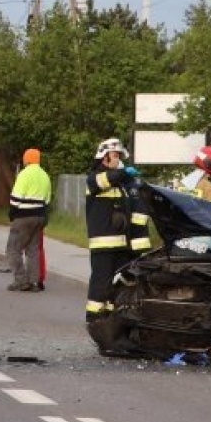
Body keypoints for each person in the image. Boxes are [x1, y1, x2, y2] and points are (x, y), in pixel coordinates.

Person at [84, 137, 150, 321]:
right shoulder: (94, 179)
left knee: (117, 284)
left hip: (121, 244)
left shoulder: (121, 183)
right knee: (101, 283)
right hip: (103, 244)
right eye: (115, 155)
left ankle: (110, 319)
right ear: (104, 157)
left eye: (119, 156)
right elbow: (109, 178)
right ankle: (94, 318)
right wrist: (124, 172)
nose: (118, 159)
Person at [4, 148, 52, 292]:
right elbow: (47, 199)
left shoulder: (24, 174)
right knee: (33, 250)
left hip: (24, 217)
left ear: (27, 159)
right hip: (40, 217)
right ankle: (34, 282)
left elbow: (15, 198)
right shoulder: (44, 175)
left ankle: (21, 281)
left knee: (13, 249)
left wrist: (12, 213)